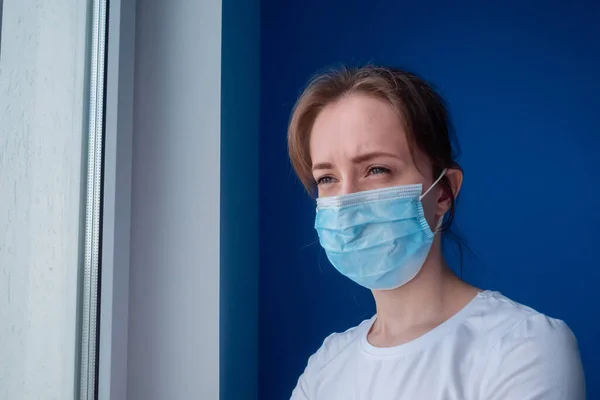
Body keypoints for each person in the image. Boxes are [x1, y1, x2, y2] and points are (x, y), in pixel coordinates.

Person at [287, 65, 585, 399]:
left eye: (376, 170)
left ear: (443, 192)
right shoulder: (326, 366)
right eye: (327, 178)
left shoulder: (523, 347)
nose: (346, 201)